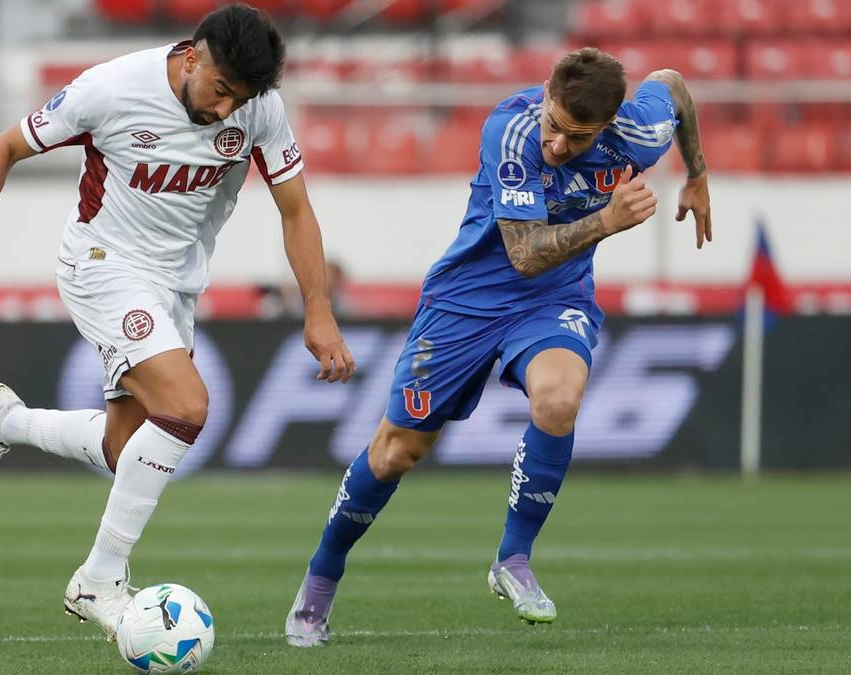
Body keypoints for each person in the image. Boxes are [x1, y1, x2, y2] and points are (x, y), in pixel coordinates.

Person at [0, 3, 355, 640]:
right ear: (192, 56)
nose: (223, 111)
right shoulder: (110, 88)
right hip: (101, 263)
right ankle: (98, 580)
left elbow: (296, 211)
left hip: (176, 286)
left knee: (122, 450)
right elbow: (6, 146)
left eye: (238, 99)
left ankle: (8, 421)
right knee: (186, 406)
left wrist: (318, 310)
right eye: (218, 91)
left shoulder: (259, 109)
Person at [284, 48, 712, 647]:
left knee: (559, 401)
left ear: (613, 123)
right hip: (465, 303)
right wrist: (606, 223)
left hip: (552, 300)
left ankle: (512, 560)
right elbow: (524, 252)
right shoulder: (509, 130)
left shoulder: (639, 130)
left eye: (578, 137)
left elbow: (673, 84)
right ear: (544, 94)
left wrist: (697, 173)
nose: (558, 145)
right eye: (554, 125)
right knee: (394, 454)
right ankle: (320, 580)